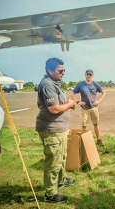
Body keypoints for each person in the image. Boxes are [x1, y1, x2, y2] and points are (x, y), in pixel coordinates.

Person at [36, 58, 76, 203]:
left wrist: (69, 104)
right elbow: (54, 109)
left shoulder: (55, 83)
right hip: (51, 129)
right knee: (53, 162)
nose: (63, 73)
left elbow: (59, 104)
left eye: (64, 70)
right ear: (50, 71)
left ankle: (61, 181)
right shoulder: (47, 84)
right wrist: (70, 103)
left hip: (59, 128)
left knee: (61, 158)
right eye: (60, 71)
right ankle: (50, 194)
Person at [71, 69, 106, 146]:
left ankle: (98, 140)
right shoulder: (80, 85)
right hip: (84, 108)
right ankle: (83, 141)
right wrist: (78, 102)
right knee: (84, 125)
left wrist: (99, 101)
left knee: (96, 124)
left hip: (94, 108)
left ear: (92, 76)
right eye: (87, 74)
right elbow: (72, 93)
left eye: (90, 75)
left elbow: (104, 92)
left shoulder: (95, 85)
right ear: (85, 75)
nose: (88, 76)